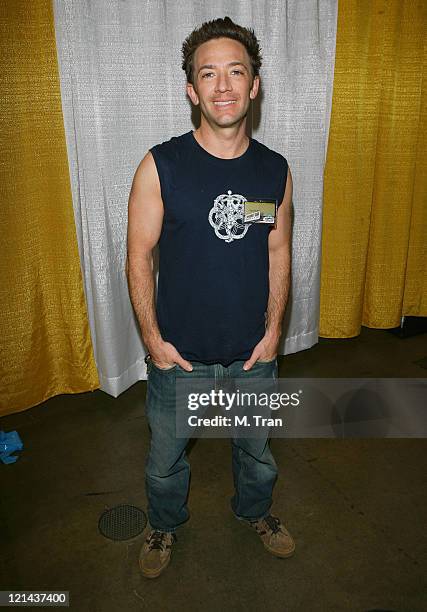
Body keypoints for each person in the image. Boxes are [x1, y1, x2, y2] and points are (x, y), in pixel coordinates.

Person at [126, 16, 294, 579]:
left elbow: (276, 251)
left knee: (256, 453)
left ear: (254, 84)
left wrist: (273, 334)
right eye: (209, 74)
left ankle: (257, 513)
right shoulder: (161, 165)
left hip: (252, 354)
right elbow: (138, 256)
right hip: (181, 355)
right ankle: (163, 525)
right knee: (165, 462)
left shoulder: (274, 172)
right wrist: (152, 340)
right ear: (192, 90)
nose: (223, 85)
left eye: (236, 72)